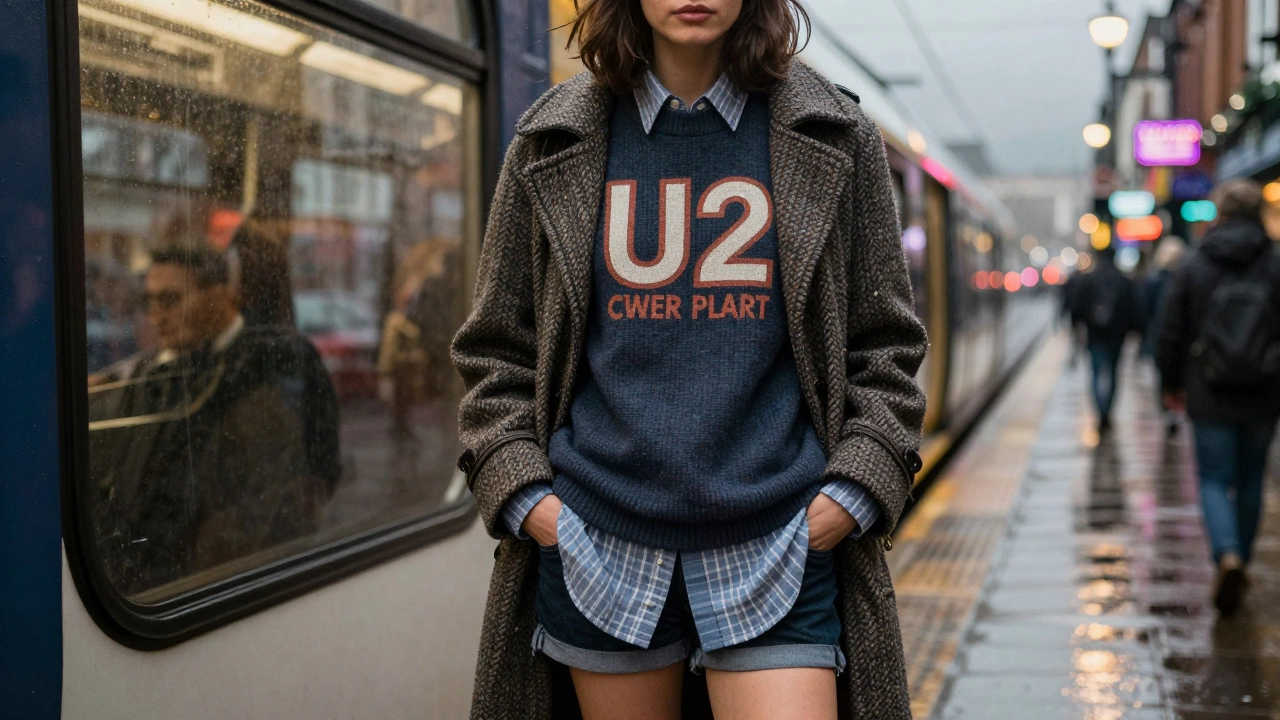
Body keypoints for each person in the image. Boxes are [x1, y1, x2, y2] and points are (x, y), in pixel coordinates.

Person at [451, 0, 927, 717]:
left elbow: (885, 344)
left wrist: (848, 496)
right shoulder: (551, 137)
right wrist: (534, 505)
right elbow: (496, 349)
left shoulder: (835, 134)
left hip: (780, 541)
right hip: (597, 544)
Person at [88, 246, 340, 595]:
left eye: (171, 300)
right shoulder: (145, 375)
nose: (156, 317)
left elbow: (314, 476)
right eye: (149, 302)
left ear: (220, 293)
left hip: (227, 574)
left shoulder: (275, 362)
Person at [1157, 179, 1280, 617]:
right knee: (1250, 480)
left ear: (1220, 214)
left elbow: (1170, 330)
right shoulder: (1275, 261)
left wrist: (1169, 384)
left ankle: (1225, 554)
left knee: (1212, 478)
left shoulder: (1195, 263)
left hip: (1209, 390)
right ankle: (1241, 559)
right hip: (1265, 390)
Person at [1070, 245, 1144, 432]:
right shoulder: (1123, 279)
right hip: (1117, 335)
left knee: (1095, 372)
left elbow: (1076, 306)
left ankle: (1100, 410)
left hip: (1094, 335)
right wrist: (1137, 331)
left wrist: (1076, 328)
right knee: (1113, 373)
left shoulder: (1088, 279)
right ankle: (1107, 411)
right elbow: (1135, 307)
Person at [1142, 236, 1186, 434]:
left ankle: (1168, 410)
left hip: (1159, 334)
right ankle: (1177, 411)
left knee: (1163, 373)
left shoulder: (1154, 280)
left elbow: (1146, 310)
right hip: (1183, 336)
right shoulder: (1187, 277)